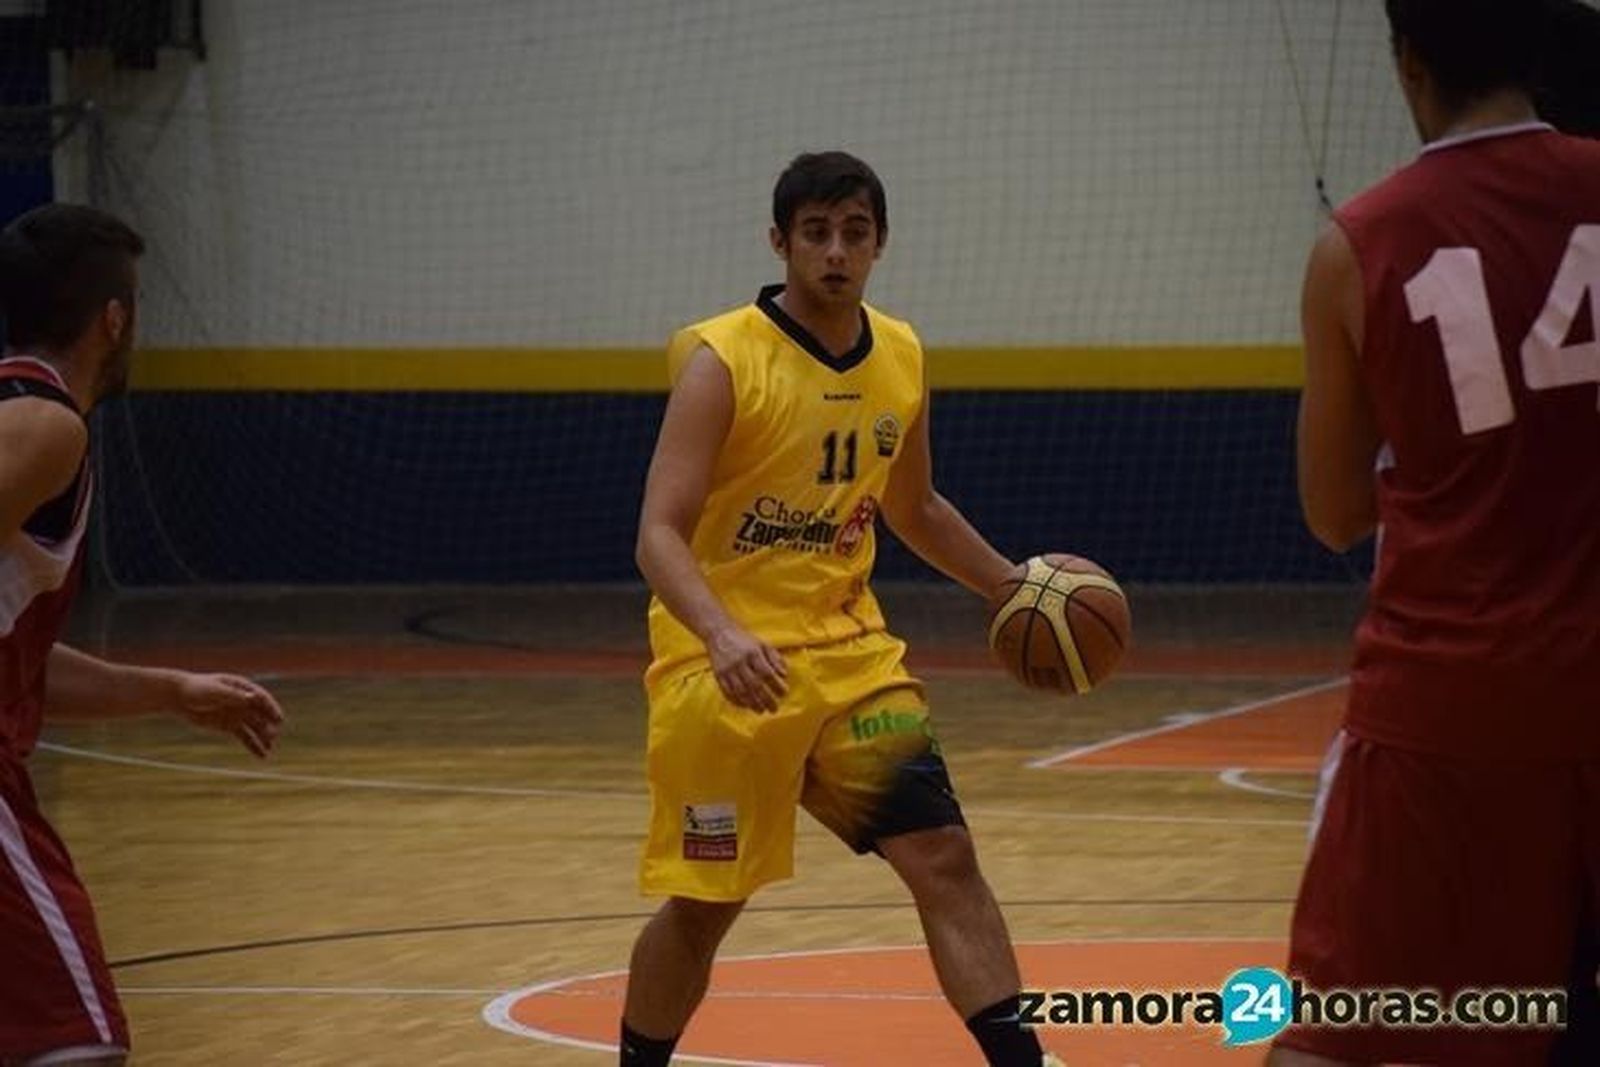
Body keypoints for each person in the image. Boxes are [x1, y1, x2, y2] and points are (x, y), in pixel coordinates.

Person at [619, 152, 1062, 1067]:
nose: (835, 252)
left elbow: (916, 509)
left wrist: (1012, 585)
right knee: (706, 907)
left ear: (880, 244)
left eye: (854, 233)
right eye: (815, 232)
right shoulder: (722, 359)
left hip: (854, 659)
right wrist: (720, 631)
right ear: (779, 241)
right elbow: (658, 533)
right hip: (729, 668)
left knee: (943, 854)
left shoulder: (899, 352)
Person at [1271, 2, 1600, 1064]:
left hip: (1454, 698)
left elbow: (1331, 512)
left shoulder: (1359, 243)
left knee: (1335, 1031)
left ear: (1407, 63)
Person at [0, 203, 286, 1067]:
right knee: (77, 1043)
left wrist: (169, 690)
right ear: (113, 319)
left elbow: (21, 662)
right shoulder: (45, 423)